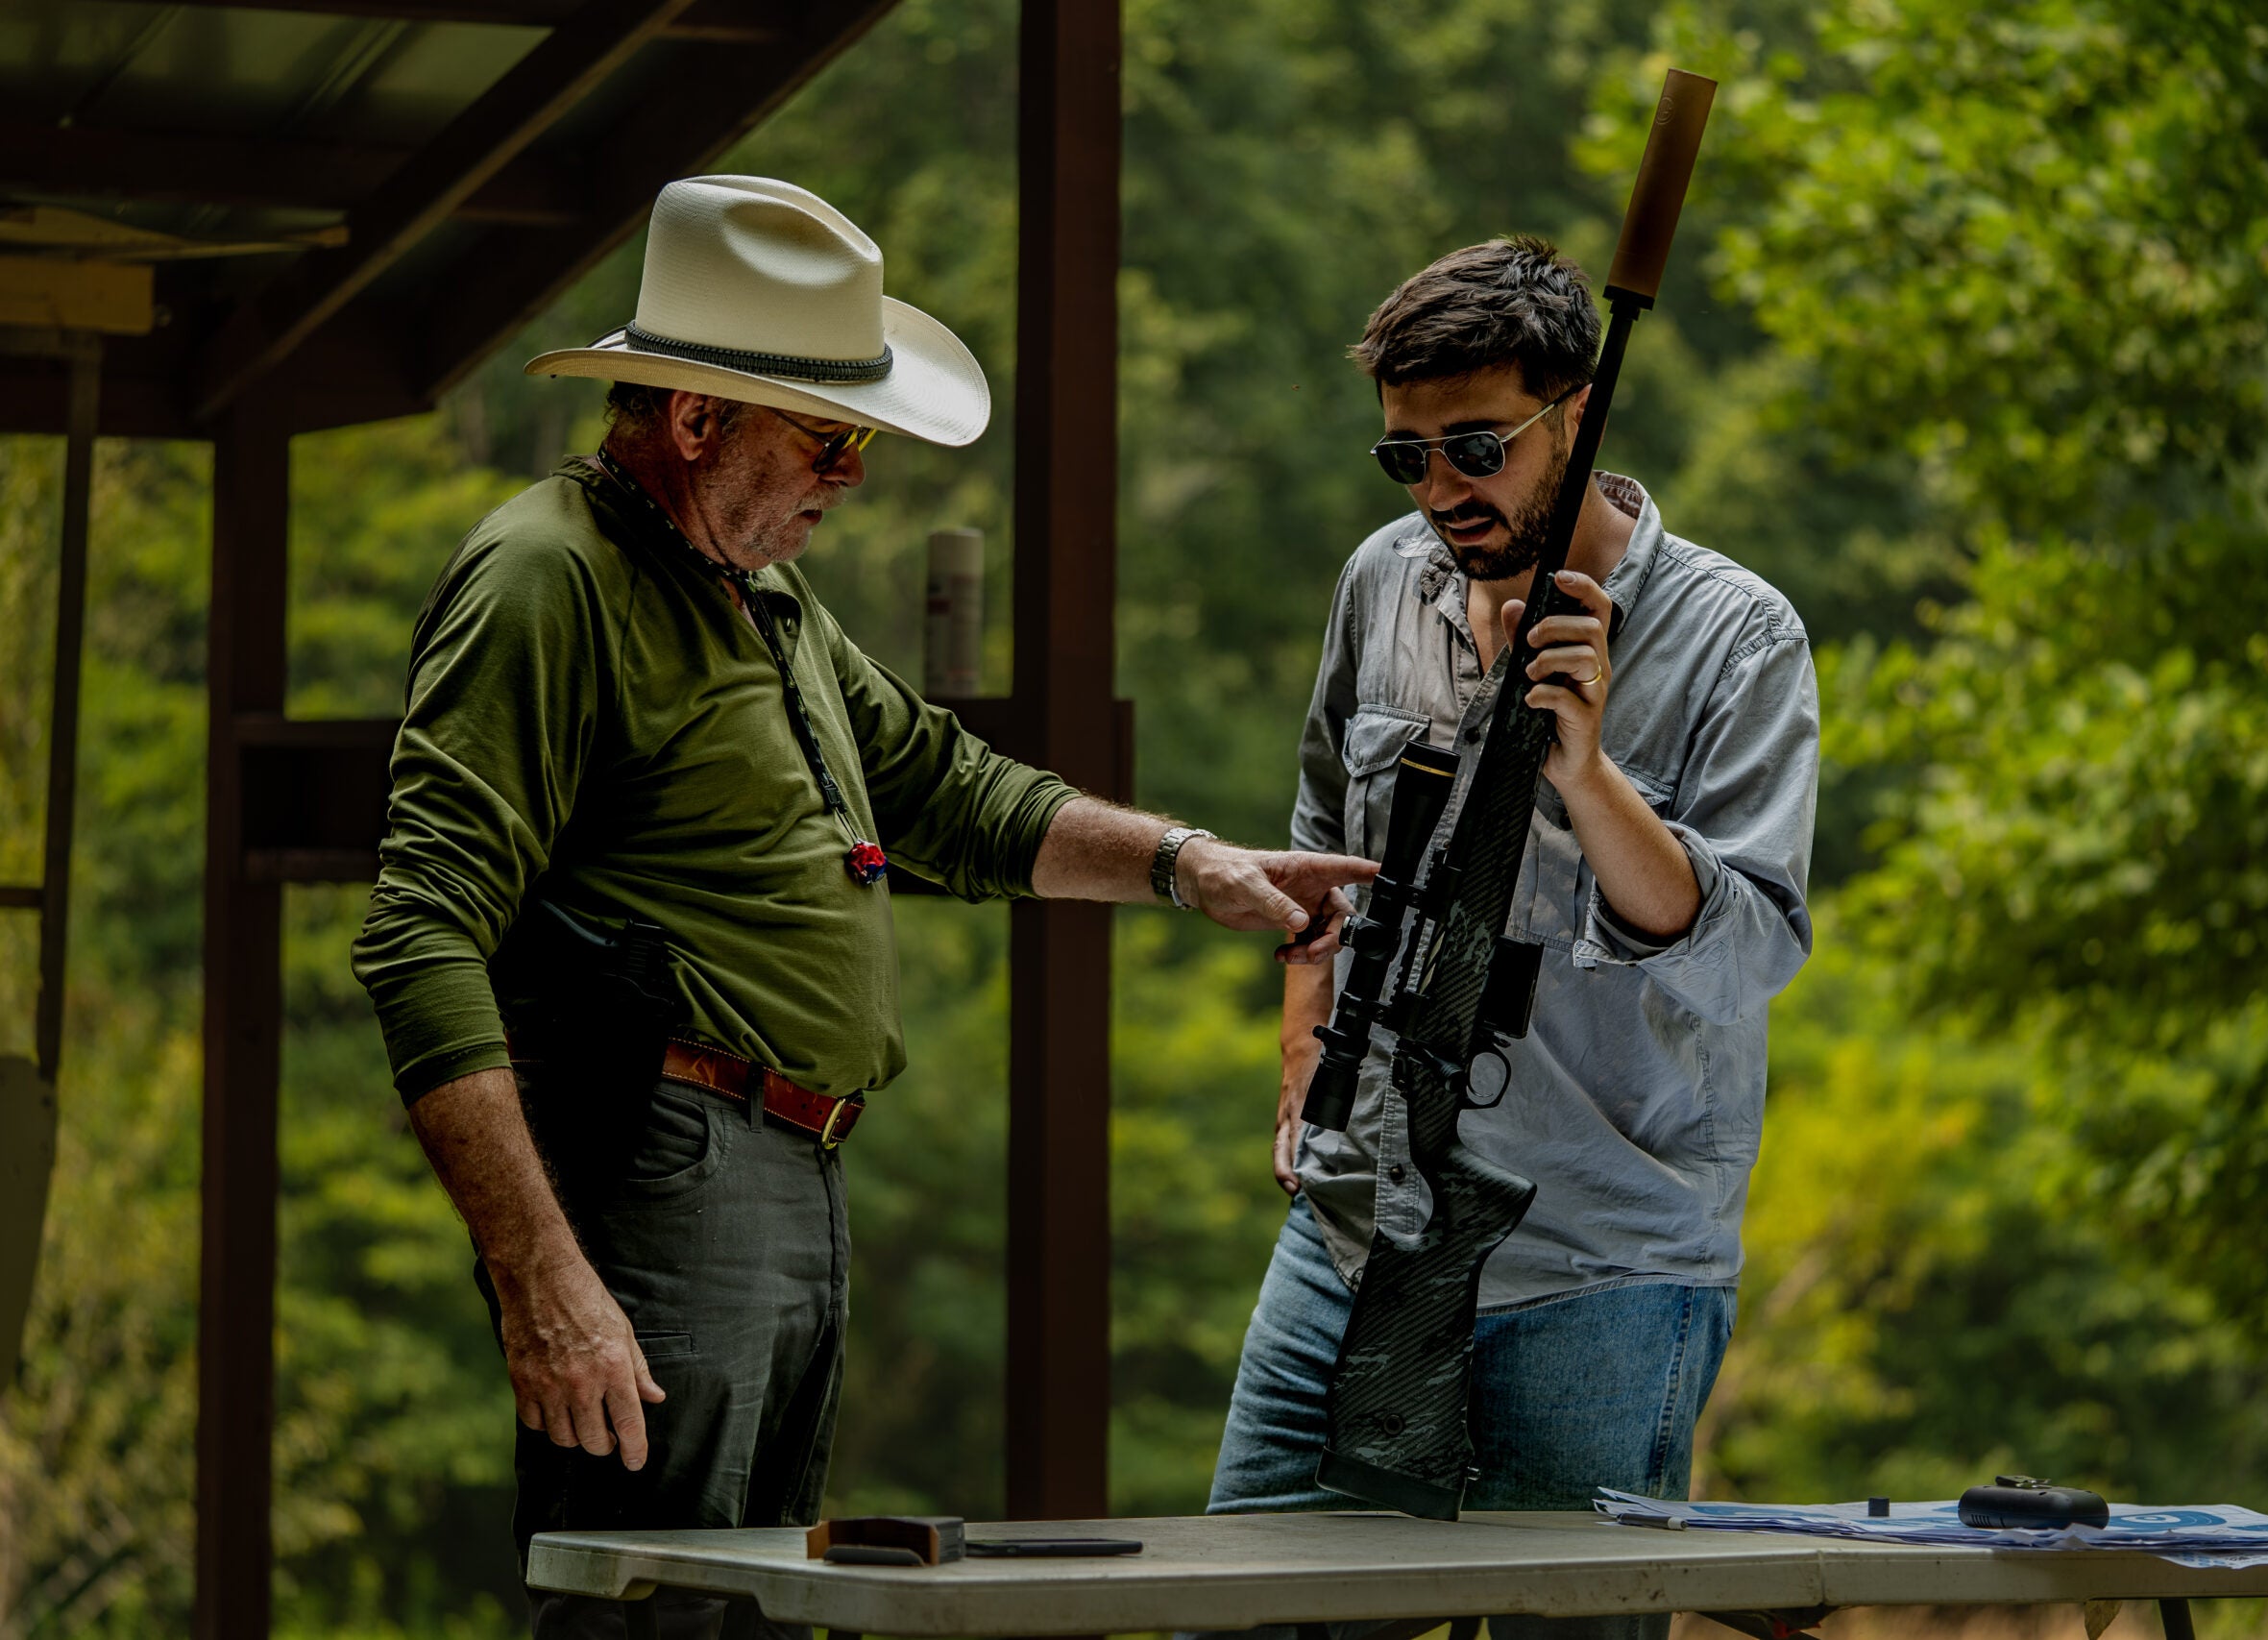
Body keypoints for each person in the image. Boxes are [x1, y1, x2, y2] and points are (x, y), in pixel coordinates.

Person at [352, 175, 1375, 1640]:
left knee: (756, 1609)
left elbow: (947, 789)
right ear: (697, 421)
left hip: (787, 1172)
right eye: (829, 438)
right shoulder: (546, 576)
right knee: (650, 1607)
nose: (853, 476)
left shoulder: (756, 592)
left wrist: (1187, 862)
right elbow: (419, 931)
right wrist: (543, 1277)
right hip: (658, 1167)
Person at [1204, 236, 1819, 1640]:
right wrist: (1304, 1048)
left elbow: (1746, 955)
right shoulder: (1384, 584)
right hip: (1356, 1226)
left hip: (1603, 1265)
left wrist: (1588, 778)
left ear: (1577, 412)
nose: (1439, 494)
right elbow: (1320, 843)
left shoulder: (1739, 638)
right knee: (1241, 1615)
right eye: (1404, 460)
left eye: (1474, 448)